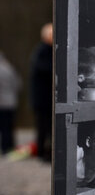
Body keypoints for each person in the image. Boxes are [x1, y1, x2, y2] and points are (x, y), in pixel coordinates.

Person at [30, 23, 53, 161]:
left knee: (47, 127)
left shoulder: (45, 51)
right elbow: (45, 69)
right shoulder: (42, 51)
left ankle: (46, 152)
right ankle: (42, 152)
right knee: (43, 127)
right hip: (43, 99)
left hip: (45, 98)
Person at [0, 51, 20, 155]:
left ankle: (4, 148)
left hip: (2, 103)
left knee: (3, 128)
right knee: (9, 127)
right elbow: (18, 84)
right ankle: (10, 147)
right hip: (11, 102)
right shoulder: (9, 68)